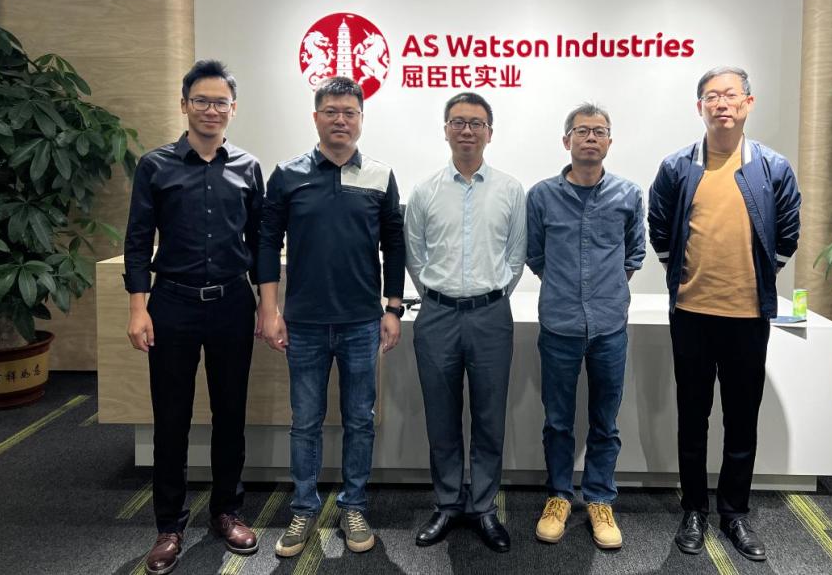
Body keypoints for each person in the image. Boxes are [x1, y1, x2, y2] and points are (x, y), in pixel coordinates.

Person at [648, 66, 801, 562]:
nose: (721, 104)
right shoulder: (677, 166)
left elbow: (788, 231)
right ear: (700, 107)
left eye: (730, 95)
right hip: (691, 313)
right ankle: (693, 509)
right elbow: (658, 226)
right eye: (711, 96)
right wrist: (680, 274)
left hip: (748, 316)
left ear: (748, 103)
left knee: (741, 419)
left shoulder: (773, 167)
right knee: (693, 418)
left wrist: (761, 275)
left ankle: (734, 512)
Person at [124, 60, 263, 575]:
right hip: (173, 304)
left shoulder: (248, 167)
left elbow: (260, 242)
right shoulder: (155, 165)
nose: (211, 109)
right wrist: (138, 308)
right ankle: (169, 526)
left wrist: (266, 304)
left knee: (230, 412)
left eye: (220, 102)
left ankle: (227, 512)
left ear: (233, 108)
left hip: (231, 303)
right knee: (171, 418)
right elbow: (138, 241)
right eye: (201, 100)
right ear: (184, 104)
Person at [258, 76, 405, 557]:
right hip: (304, 322)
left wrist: (393, 307)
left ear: (361, 119)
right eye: (331, 111)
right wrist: (269, 308)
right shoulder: (288, 174)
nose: (340, 120)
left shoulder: (380, 175)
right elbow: (266, 243)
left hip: (362, 321)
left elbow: (394, 245)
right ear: (316, 117)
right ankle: (303, 508)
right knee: (305, 421)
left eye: (350, 112)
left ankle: (353, 505)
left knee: (360, 419)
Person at [405, 92, 526, 553]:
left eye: (476, 123)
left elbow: (516, 255)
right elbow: (415, 256)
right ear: (446, 130)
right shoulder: (425, 191)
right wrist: (439, 296)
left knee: (490, 416)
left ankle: (484, 507)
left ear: (490, 133)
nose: (467, 130)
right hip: (437, 314)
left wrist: (490, 296)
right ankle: (448, 503)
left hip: (491, 315)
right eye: (458, 122)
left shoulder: (511, 190)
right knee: (441, 416)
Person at [526, 103, 645, 549]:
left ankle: (599, 498)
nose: (590, 137)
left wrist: (605, 291)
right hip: (559, 326)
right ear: (567, 140)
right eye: (582, 130)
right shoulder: (541, 196)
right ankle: (558, 496)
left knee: (605, 422)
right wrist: (566, 288)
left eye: (599, 131)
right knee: (557, 421)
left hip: (609, 327)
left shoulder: (628, 194)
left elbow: (635, 253)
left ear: (609, 141)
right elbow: (534, 254)